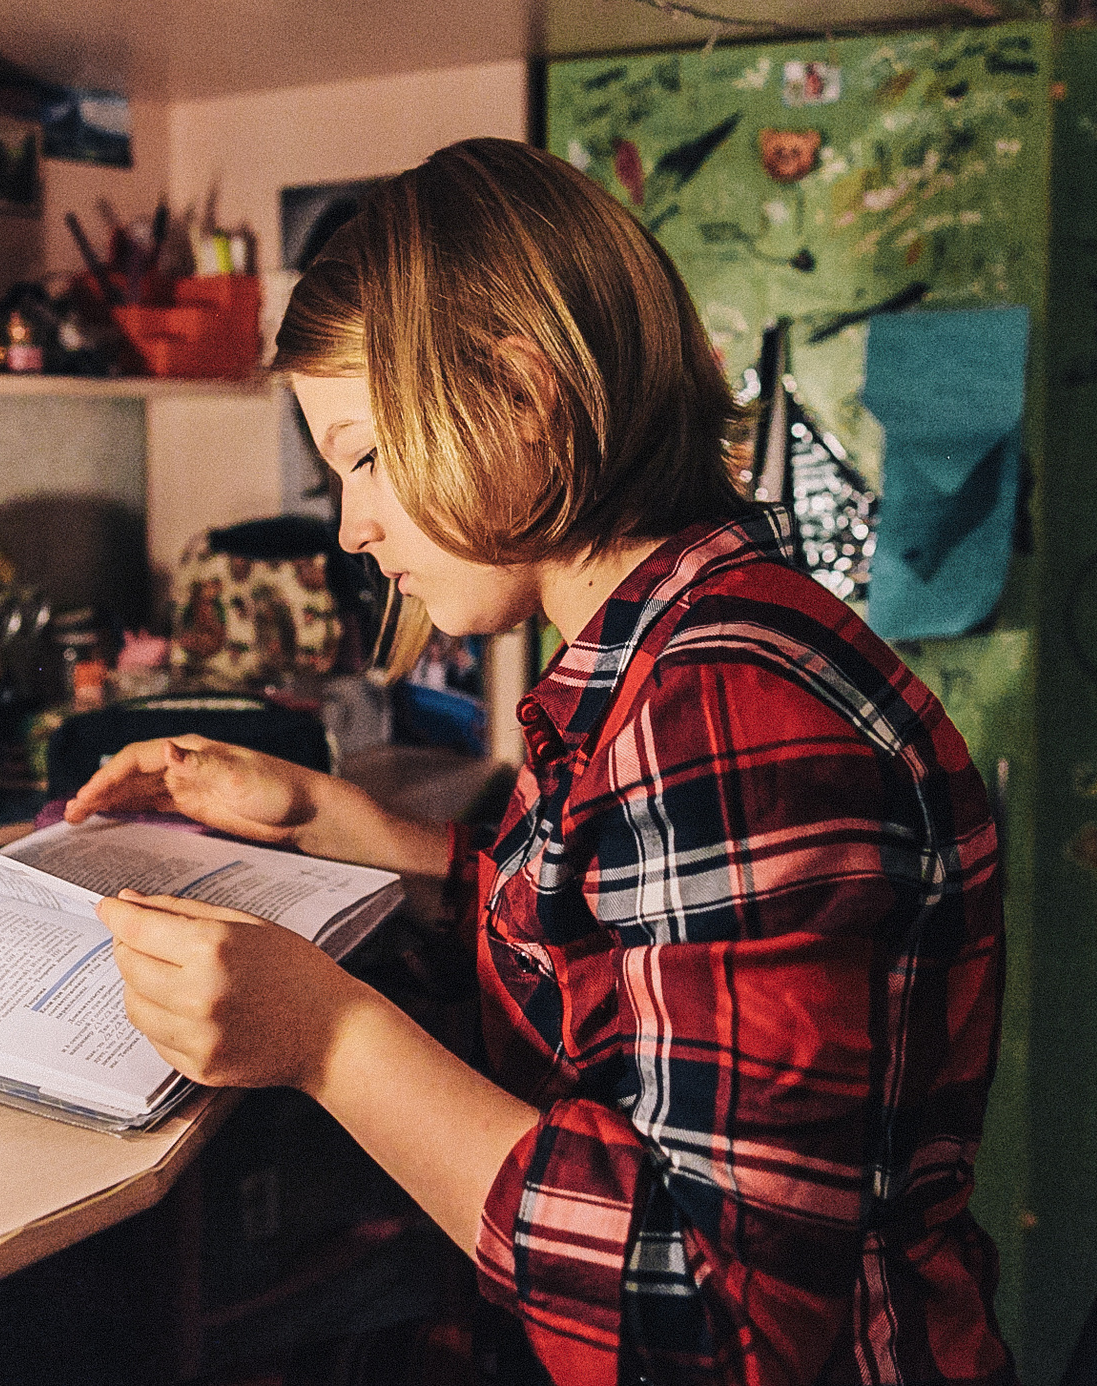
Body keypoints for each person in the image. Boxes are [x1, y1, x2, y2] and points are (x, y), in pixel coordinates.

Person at [66, 138, 1015, 1386]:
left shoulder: (725, 708)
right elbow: (631, 948)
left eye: (362, 455)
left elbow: (722, 1337)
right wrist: (343, 823)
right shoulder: (687, 644)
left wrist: (328, 1038)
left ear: (522, 394)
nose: (351, 524)